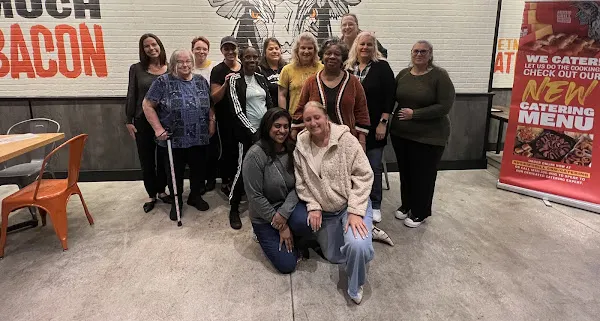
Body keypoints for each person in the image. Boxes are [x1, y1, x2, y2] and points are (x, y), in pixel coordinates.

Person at [292, 38, 392, 245]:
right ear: (322, 56)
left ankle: (359, 221)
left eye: (337, 54)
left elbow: (361, 111)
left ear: (343, 58)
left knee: (349, 183)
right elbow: (301, 108)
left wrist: (362, 139)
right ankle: (333, 223)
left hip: (346, 143)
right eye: (328, 53)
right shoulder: (312, 81)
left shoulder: (353, 82)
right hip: (319, 143)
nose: (332, 57)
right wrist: (296, 132)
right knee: (327, 185)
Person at [293, 101, 374, 304]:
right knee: (334, 256)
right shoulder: (301, 145)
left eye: (316, 117)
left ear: (326, 117)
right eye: (307, 119)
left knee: (357, 247)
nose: (313, 123)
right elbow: (301, 183)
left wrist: (355, 211)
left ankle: (355, 285)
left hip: (350, 205)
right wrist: (313, 206)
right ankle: (367, 234)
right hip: (327, 211)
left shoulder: (346, 141)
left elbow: (365, 175)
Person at [142, 49, 216, 221]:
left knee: (198, 170)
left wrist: (212, 121)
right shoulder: (163, 81)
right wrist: (158, 129)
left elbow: (210, 104)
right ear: (173, 64)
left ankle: (195, 196)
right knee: (175, 173)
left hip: (199, 136)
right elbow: (147, 105)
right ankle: (177, 202)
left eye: (188, 61)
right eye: (180, 62)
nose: (185, 65)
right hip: (174, 139)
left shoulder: (200, 81)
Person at [390, 40, 455, 228]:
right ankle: (406, 205)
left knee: (424, 175)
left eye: (423, 51)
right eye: (416, 51)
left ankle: (420, 212)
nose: (419, 54)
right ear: (411, 53)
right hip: (401, 135)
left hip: (429, 137)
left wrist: (415, 114)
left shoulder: (439, 76)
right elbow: (392, 97)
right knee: (406, 172)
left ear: (430, 54)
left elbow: (445, 106)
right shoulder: (403, 74)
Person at [243, 108, 311, 273]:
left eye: (286, 126)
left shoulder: (292, 149)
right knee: (287, 265)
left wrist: (283, 215)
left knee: (306, 222)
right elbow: (255, 196)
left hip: (287, 209)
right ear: (267, 127)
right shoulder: (255, 155)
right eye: (277, 126)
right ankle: (267, 235)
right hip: (264, 216)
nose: (282, 131)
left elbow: (299, 184)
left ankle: (295, 235)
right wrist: (280, 225)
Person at [345, 31, 395, 224]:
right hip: (351, 128)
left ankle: (375, 204)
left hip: (375, 127)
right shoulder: (348, 68)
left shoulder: (382, 67)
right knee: (350, 167)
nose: (365, 47)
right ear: (355, 46)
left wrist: (383, 123)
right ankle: (354, 202)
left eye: (369, 44)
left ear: (374, 47)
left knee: (373, 167)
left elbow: (389, 98)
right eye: (362, 44)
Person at [227, 47, 274, 229]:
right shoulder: (235, 80)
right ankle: (233, 207)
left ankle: (265, 204)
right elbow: (236, 110)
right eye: (248, 57)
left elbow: (269, 104)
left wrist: (270, 127)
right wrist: (253, 132)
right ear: (242, 59)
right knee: (241, 170)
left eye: (255, 57)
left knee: (267, 169)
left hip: (265, 133)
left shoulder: (261, 79)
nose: (252, 60)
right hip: (246, 135)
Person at [125, 33, 172, 213]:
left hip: (164, 121)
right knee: (146, 160)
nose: (151, 48)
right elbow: (132, 94)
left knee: (163, 160)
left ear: (160, 46)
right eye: (147, 46)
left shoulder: (170, 69)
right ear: (142, 50)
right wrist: (128, 120)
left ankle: (162, 191)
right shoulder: (136, 69)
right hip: (142, 121)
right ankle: (151, 195)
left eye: (154, 44)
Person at [210, 36, 242, 198]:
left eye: (233, 48)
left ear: (237, 49)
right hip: (225, 119)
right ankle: (226, 182)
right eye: (226, 48)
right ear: (222, 50)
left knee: (241, 150)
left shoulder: (244, 67)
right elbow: (214, 97)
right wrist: (225, 85)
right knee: (227, 150)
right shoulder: (218, 70)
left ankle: (240, 180)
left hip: (243, 118)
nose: (230, 51)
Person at [192, 36, 219, 192]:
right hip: (192, 116)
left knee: (211, 149)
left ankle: (211, 179)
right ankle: (199, 181)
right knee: (197, 151)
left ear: (208, 51)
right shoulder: (188, 67)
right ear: (192, 50)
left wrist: (212, 118)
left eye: (204, 49)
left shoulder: (213, 67)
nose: (201, 51)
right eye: (198, 48)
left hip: (210, 113)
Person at [278, 32, 323, 115]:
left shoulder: (322, 69)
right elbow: (282, 95)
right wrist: (284, 116)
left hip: (317, 118)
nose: (306, 51)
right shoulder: (287, 70)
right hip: (295, 118)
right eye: (303, 48)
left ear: (315, 50)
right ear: (297, 50)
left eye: (310, 48)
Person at [258, 38, 286, 107]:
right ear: (265, 53)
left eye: (277, 48)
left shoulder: (286, 68)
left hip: (287, 111)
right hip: (269, 111)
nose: (274, 51)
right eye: (271, 49)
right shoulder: (260, 70)